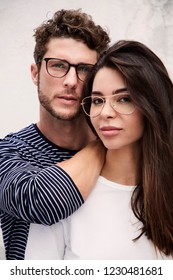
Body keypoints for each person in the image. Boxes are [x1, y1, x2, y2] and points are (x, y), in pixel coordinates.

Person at [25, 40, 173, 259]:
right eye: (97, 100)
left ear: (152, 104)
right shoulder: (63, 198)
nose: (105, 112)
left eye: (124, 99)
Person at [0, 9, 110, 260]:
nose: (71, 81)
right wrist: (103, 146)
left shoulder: (125, 153)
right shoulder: (8, 152)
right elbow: (43, 202)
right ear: (35, 73)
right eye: (58, 65)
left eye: (84, 69)